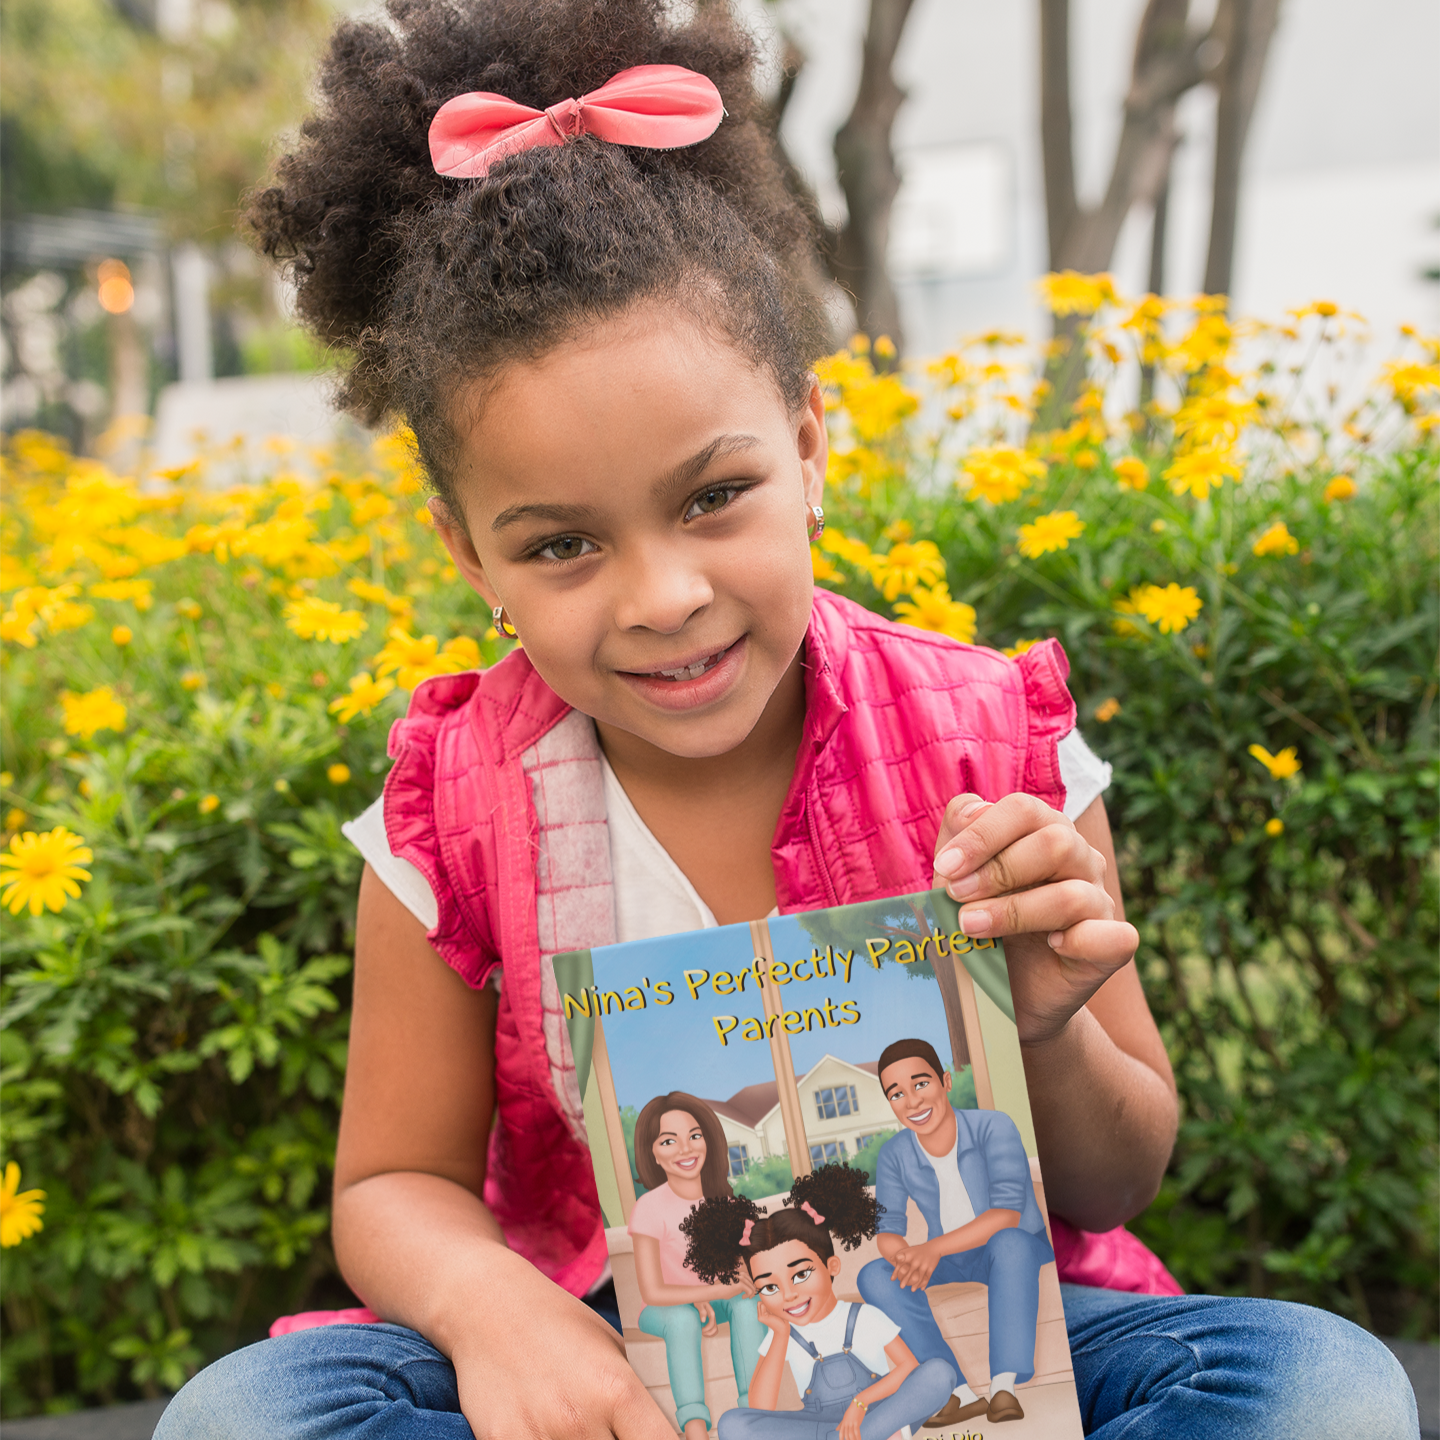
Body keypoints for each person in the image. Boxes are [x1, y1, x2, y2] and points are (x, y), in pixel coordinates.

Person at [153, 1, 1420, 1437]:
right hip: (607, 1366)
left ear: (811, 448)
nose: (662, 594)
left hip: (971, 1347)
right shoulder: (456, 802)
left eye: (714, 497)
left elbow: (1118, 1181)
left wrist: (1046, 1027)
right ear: (468, 555)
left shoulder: (992, 738)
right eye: (563, 544)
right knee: (249, 1414)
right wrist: (499, 1315)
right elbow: (393, 1186)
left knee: (1318, 1389)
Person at [858, 1039, 1053, 1426]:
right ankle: (955, 1393)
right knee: (873, 1275)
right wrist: (905, 1257)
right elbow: (888, 1229)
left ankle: (1004, 1388)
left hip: (1011, 1249)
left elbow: (1006, 1214)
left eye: (920, 1084)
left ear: (945, 1081)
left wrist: (930, 1249)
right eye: (896, 1094)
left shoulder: (992, 1126)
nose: (911, 1102)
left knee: (1010, 1243)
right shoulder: (894, 1154)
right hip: (950, 1259)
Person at [681, 1166, 955, 1440]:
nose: (789, 1295)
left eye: (801, 1274)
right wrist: (780, 1334)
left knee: (939, 1373)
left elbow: (909, 1368)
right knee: (732, 1423)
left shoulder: (864, 1317)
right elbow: (760, 1406)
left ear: (832, 1266)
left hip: (876, 1411)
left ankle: (875, 1431)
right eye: (770, 1286)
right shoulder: (781, 1333)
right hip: (820, 1425)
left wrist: (860, 1404)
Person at [628, 1093, 765, 1439]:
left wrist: (731, 1282)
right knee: (682, 1318)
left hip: (711, 1301)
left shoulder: (724, 1200)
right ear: (653, 1153)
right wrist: (705, 1294)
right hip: (664, 1308)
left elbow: (737, 1271)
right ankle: (695, 1430)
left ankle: (757, 1417)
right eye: (669, 1141)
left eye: (694, 1136)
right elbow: (652, 1291)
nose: (685, 1149)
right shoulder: (648, 1207)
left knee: (748, 1304)